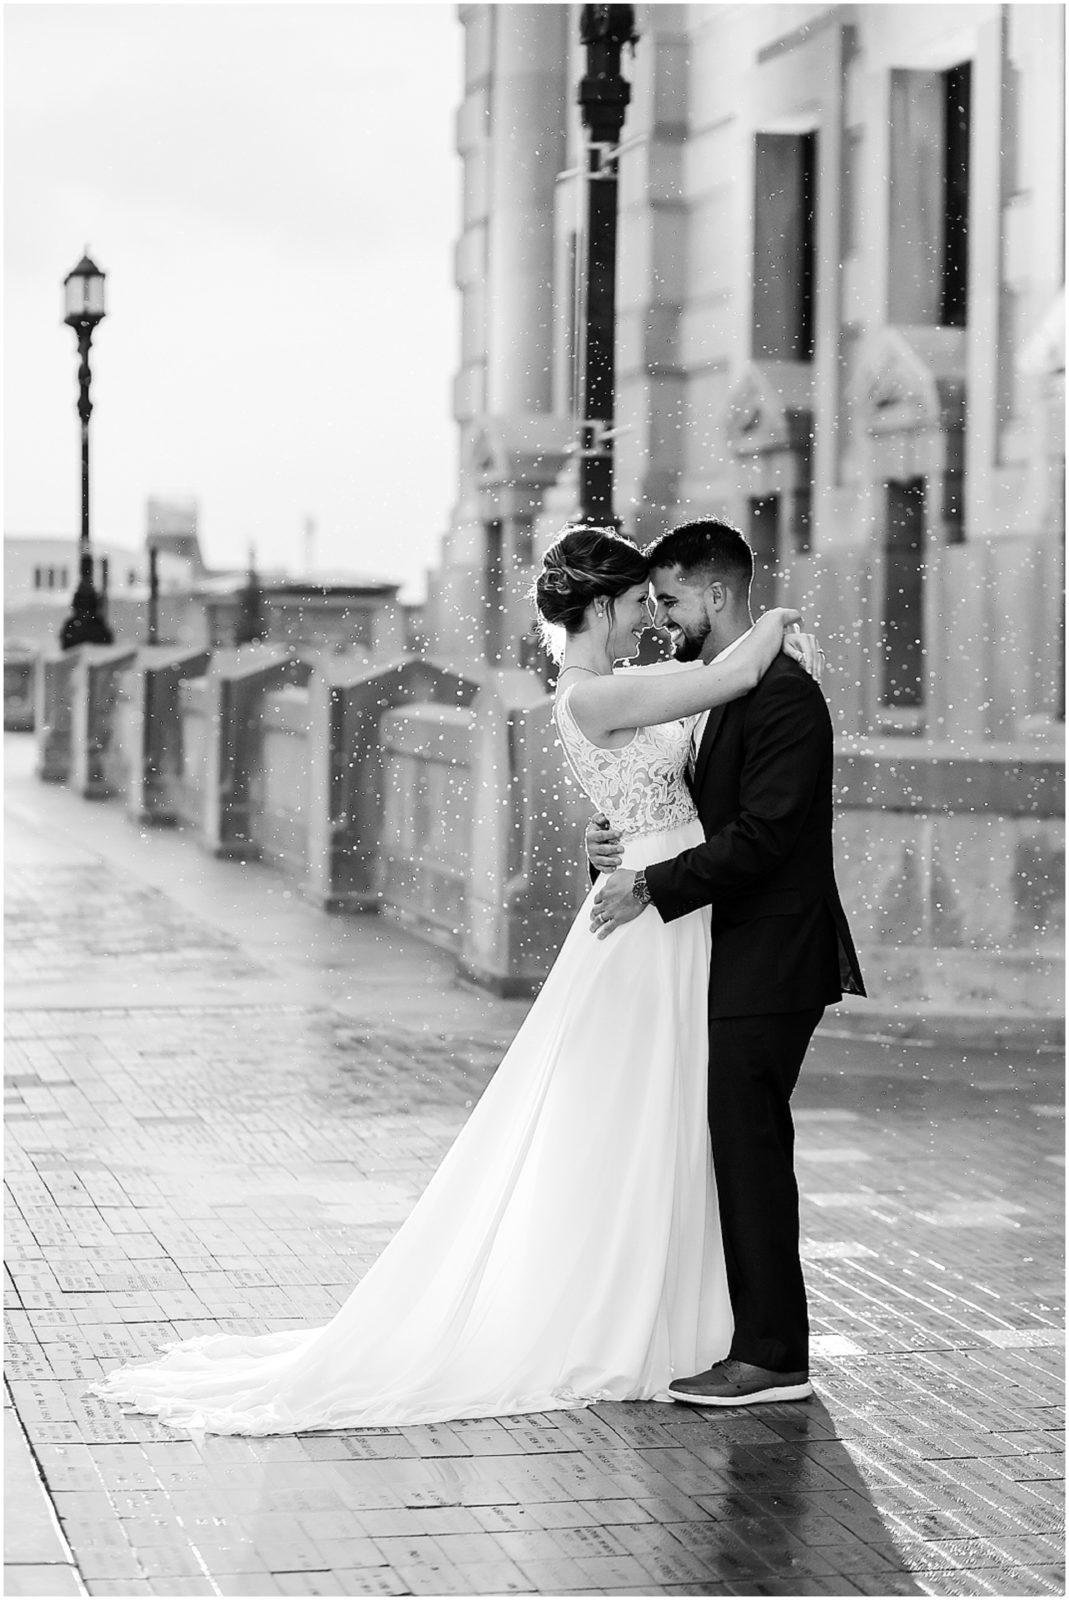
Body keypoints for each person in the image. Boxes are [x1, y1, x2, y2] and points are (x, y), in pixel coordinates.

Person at [87, 525, 820, 1435]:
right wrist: (777, 619)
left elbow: (697, 779)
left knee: (666, 1117)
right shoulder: (602, 692)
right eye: (639, 606)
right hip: (650, 917)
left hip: (668, 908)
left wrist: (620, 841)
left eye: (660, 604)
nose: (651, 623)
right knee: (643, 1114)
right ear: (597, 609)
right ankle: (646, 1319)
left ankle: (695, 1321)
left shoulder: (614, 689)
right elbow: (728, 681)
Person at [588, 519, 865, 1409]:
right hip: (735, 944)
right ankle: (751, 1339)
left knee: (747, 1144)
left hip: (775, 951)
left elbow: (764, 837)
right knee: (736, 1140)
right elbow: (696, 810)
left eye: (668, 600)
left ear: (713, 594)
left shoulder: (785, 694)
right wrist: (616, 841)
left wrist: (652, 886)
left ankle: (773, 1355)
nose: (663, 619)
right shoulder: (727, 685)